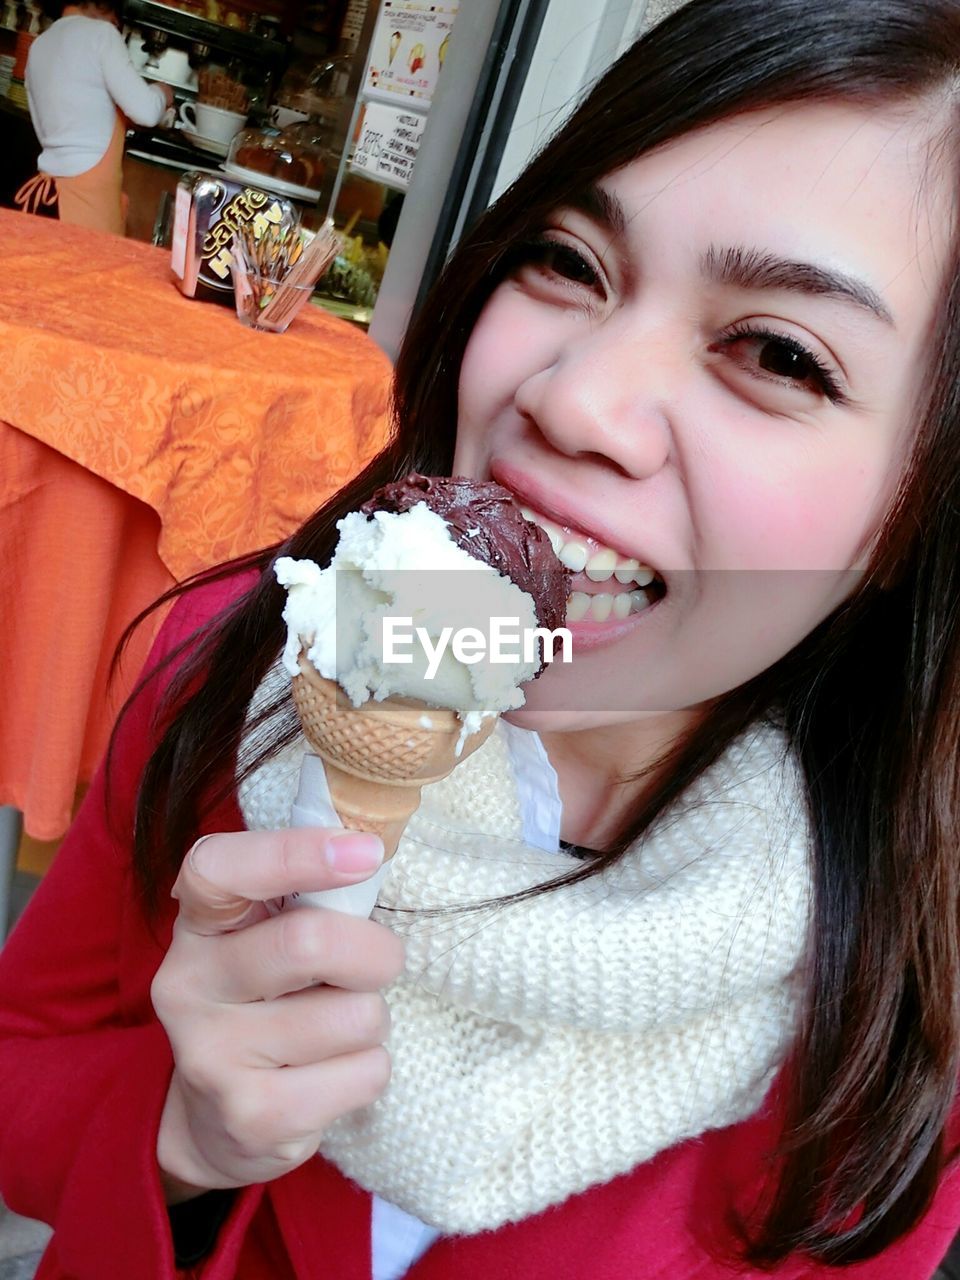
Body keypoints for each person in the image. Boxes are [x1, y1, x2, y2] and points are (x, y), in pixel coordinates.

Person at [3, 0, 960, 1274]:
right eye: (570, 260)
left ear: (920, 513)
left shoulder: (905, 981)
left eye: (780, 352)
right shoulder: (229, 659)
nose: (569, 399)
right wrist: (178, 1135)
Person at [16, 0, 172, 234]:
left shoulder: (39, 44)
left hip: (50, 197)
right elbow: (147, 112)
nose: (117, 22)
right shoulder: (102, 34)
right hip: (89, 203)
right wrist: (163, 92)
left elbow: (50, 125)